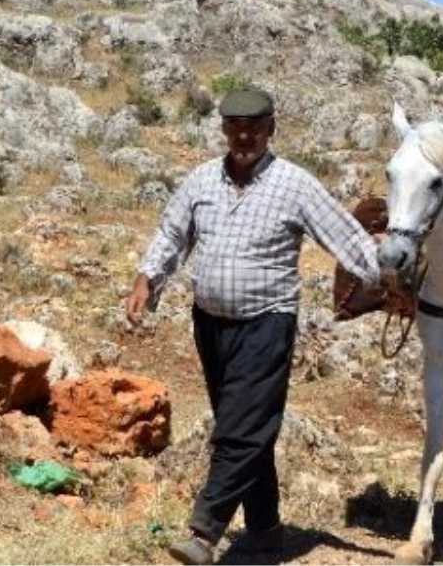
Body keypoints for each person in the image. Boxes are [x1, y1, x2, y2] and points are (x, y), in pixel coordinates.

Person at [124, 87, 380, 566]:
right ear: (224, 130)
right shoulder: (201, 180)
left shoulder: (295, 184)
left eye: (255, 129)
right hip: (211, 325)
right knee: (246, 424)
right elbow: (171, 234)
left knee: (240, 429)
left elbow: (347, 237)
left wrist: (389, 279)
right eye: (236, 128)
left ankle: (204, 530)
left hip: (268, 321)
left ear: (270, 130)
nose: (245, 137)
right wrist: (146, 280)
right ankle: (265, 529)